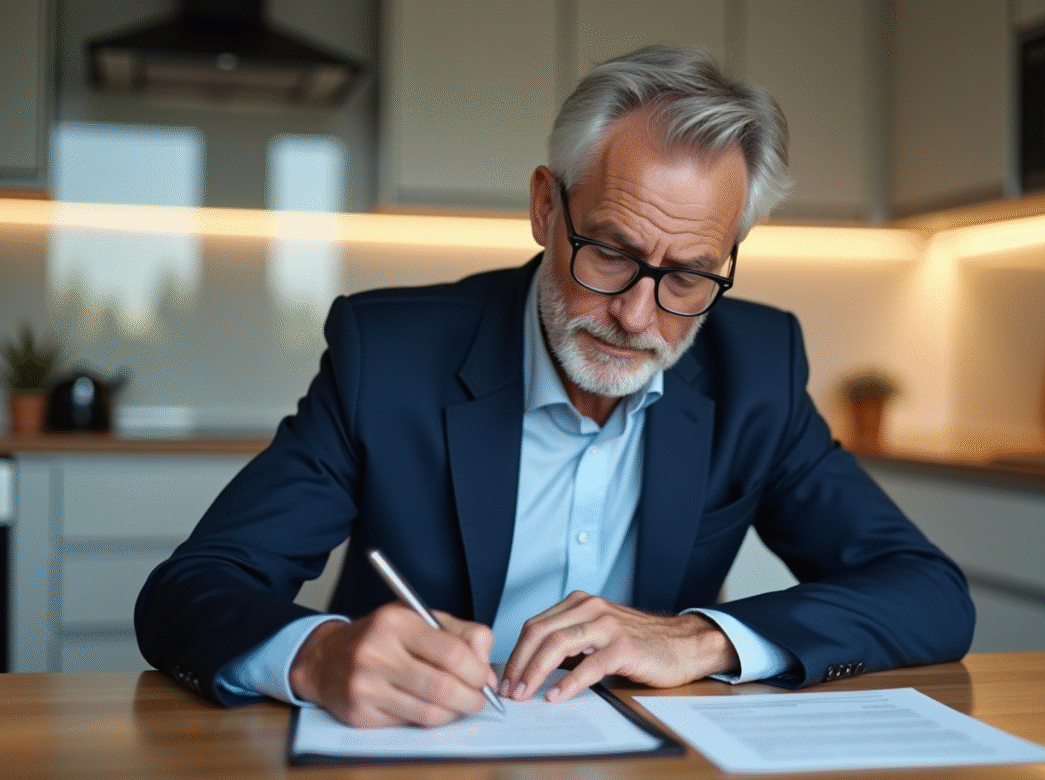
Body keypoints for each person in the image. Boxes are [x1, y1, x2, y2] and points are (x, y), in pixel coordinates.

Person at [135, 45, 975, 729]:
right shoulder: (385, 354)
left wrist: (701, 639)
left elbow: (927, 593)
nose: (639, 317)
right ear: (546, 207)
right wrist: (317, 656)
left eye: (687, 277)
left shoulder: (757, 367)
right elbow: (192, 588)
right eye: (610, 252)